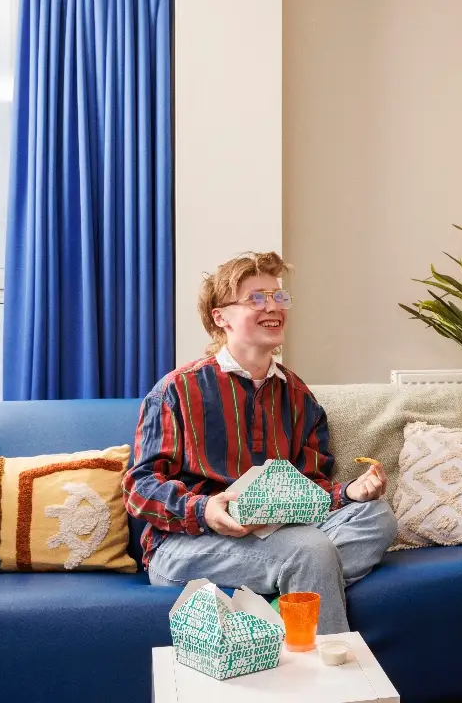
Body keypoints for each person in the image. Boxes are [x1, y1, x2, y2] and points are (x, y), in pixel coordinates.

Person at [123, 250, 397, 635]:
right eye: (257, 297)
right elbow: (140, 488)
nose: (274, 306)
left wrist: (350, 492)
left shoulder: (299, 396)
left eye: (278, 296)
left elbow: (309, 490)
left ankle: (276, 604)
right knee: (309, 549)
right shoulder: (177, 390)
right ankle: (325, 679)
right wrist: (204, 510)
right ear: (221, 317)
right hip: (187, 546)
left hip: (279, 537)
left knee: (376, 517)